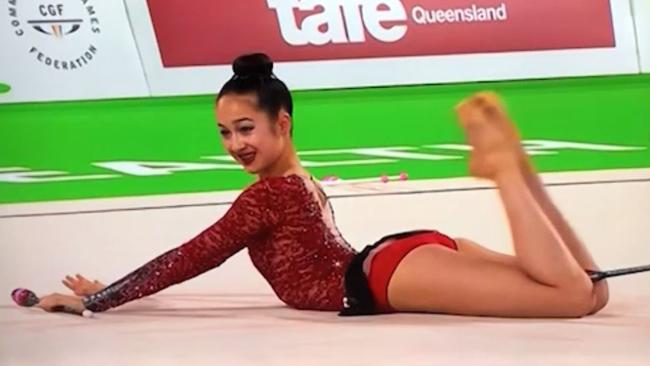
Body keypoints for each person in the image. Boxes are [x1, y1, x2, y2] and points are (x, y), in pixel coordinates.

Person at [37, 53, 609, 318]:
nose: (236, 144)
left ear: (281, 124)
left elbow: (194, 256)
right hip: (400, 260)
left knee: (567, 298)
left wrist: (98, 300)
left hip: (383, 277)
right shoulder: (296, 181)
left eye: (246, 128)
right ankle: (523, 173)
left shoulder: (268, 194)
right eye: (224, 133)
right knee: (589, 292)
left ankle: (507, 171)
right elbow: (191, 259)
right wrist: (110, 286)